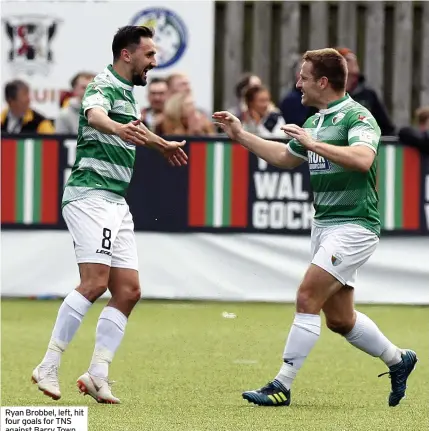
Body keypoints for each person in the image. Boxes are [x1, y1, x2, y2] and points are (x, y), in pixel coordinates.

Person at [213, 48, 417, 408]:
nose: (297, 84)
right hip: (324, 225)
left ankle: (282, 384)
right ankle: (398, 360)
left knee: (307, 296)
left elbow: (363, 158)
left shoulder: (358, 117)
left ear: (323, 82)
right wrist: (240, 134)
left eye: (304, 77)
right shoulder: (314, 121)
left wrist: (314, 145)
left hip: (355, 225)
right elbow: (283, 156)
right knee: (340, 319)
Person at [31, 25, 187, 404]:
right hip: (90, 196)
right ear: (127, 54)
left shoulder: (128, 94)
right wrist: (119, 128)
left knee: (129, 291)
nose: (154, 62)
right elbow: (97, 115)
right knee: (94, 283)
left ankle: (97, 373)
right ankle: (48, 364)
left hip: (115, 200)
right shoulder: (103, 83)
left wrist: (162, 144)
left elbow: (134, 130)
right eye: (149, 55)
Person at [336, 47, 395, 136]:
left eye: (354, 59)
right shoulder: (325, 95)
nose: (353, 61)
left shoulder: (368, 94)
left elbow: (386, 128)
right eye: (347, 59)